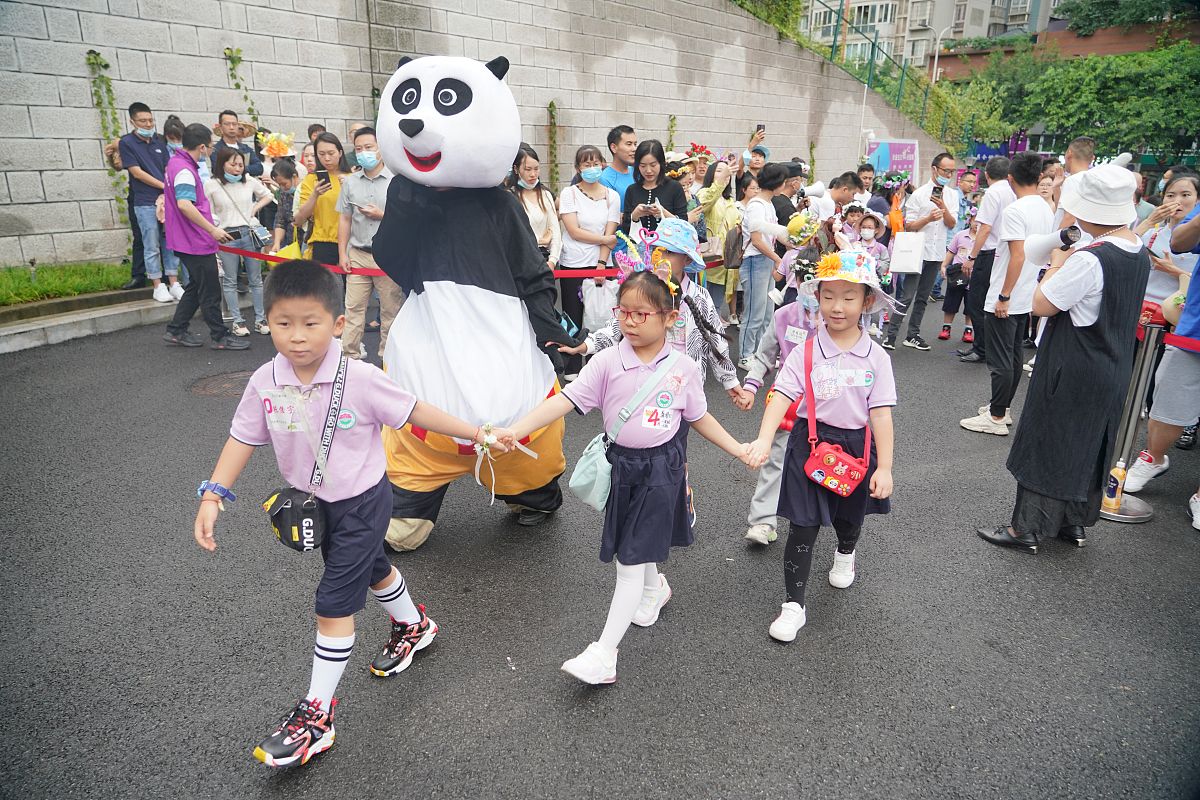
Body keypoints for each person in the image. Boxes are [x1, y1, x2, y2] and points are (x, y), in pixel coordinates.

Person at [193, 260, 508, 766]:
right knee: (371, 570)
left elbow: (415, 410)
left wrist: (478, 432)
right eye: (282, 323)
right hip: (317, 506)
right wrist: (213, 495)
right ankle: (414, 626)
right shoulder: (264, 381)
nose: (296, 337)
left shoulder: (359, 378)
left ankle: (316, 715)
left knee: (333, 600)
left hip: (363, 501)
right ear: (268, 322)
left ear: (338, 323)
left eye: (310, 323)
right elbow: (242, 437)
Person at [499, 269, 756, 684]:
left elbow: (699, 417)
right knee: (635, 541)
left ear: (669, 318)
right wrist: (516, 428)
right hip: (623, 466)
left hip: (662, 469)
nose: (631, 322)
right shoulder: (606, 361)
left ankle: (604, 653)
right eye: (624, 313)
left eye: (643, 314)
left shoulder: (683, 368)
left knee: (629, 558)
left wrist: (738, 448)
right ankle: (656, 589)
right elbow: (566, 400)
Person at [978, 165, 1151, 552]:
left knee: (1049, 440)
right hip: (1113, 363)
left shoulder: (1091, 258)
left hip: (1072, 363)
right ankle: (1073, 524)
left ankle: (1028, 529)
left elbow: (1042, 304)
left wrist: (1058, 259)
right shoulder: (1137, 250)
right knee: (1089, 443)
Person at [746, 250, 896, 642]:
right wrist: (764, 440)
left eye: (848, 297)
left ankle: (846, 552)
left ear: (866, 301)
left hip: (857, 448)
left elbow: (880, 414)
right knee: (803, 527)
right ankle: (793, 606)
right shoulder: (806, 351)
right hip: (810, 444)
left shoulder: (876, 358)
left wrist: (885, 468)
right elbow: (780, 394)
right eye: (828, 296)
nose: (837, 306)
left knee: (850, 519)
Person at [960, 152, 1055, 436]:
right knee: (1012, 355)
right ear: (1039, 177)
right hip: (1025, 292)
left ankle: (997, 416)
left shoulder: (1016, 210)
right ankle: (1001, 408)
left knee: (1000, 359)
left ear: (1011, 178)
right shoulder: (1044, 207)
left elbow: (1017, 256)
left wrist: (1003, 295)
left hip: (1009, 292)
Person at [741, 251, 821, 545]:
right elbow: (764, 356)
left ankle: (821, 520)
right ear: (795, 279)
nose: (809, 289)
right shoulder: (784, 316)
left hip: (825, 404)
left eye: (815, 282)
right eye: (803, 280)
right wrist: (751, 385)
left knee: (821, 462)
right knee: (775, 460)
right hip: (788, 401)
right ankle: (763, 522)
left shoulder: (836, 318)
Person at [161, 123, 245, 351]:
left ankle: (176, 329)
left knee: (196, 287)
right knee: (209, 290)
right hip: (195, 241)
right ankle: (220, 336)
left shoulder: (175, 163)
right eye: (208, 147)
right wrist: (212, 229)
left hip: (186, 239)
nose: (208, 151)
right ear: (200, 146)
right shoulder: (185, 170)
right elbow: (185, 205)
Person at [336, 126, 404, 361]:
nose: (364, 152)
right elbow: (344, 219)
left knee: (390, 311)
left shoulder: (397, 181)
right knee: (353, 309)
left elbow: (407, 218)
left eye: (369, 147)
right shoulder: (350, 182)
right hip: (358, 254)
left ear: (381, 150)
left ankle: (388, 360)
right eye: (358, 149)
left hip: (389, 256)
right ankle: (349, 358)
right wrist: (342, 254)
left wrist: (381, 215)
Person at [883, 152, 960, 351]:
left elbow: (952, 224)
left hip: (936, 251)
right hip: (916, 251)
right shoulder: (919, 194)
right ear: (934, 169)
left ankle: (913, 335)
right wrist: (928, 218)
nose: (948, 175)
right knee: (907, 295)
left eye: (951, 171)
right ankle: (891, 336)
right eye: (945, 170)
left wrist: (944, 209)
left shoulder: (952, 195)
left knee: (923, 297)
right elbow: (909, 225)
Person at [557, 145, 621, 378]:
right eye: (586, 164)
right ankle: (573, 365)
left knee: (601, 316)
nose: (592, 168)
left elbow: (611, 229)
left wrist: (602, 264)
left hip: (601, 265)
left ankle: (599, 366)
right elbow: (573, 231)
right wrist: (605, 239)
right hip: (573, 264)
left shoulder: (611, 196)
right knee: (573, 315)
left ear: (602, 164)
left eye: (596, 163)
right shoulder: (569, 193)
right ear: (578, 168)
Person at [118, 102, 182, 303]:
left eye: (150, 120)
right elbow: (136, 173)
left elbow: (167, 167)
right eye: (142, 121)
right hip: (145, 200)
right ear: (132, 121)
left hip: (166, 200)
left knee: (169, 242)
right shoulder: (126, 142)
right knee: (151, 243)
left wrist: (168, 188)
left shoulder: (159, 141)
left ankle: (174, 283)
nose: (147, 124)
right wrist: (164, 186)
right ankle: (157, 285)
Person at [207, 147, 273, 336]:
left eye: (240, 165)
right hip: (226, 235)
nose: (237, 168)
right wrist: (215, 230)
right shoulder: (211, 185)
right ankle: (237, 321)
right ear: (222, 164)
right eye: (232, 164)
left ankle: (261, 320)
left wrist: (253, 210)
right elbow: (208, 213)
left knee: (256, 279)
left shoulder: (249, 181)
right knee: (230, 280)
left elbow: (268, 195)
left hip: (249, 232)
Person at [959, 157, 1013, 364]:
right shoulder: (1012, 192)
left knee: (976, 302)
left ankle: (981, 348)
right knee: (990, 300)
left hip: (989, 253)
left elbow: (985, 227)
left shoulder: (993, 193)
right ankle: (985, 346)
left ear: (987, 175)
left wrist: (971, 256)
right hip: (1004, 253)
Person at [738, 163, 791, 367]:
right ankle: (745, 354)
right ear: (777, 183)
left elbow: (773, 235)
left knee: (768, 312)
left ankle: (760, 352)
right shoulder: (757, 205)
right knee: (755, 311)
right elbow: (757, 239)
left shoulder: (767, 204)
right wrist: (778, 259)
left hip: (766, 260)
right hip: (756, 260)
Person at [295, 132, 350, 269]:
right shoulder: (311, 179)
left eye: (331, 153)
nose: (326, 158)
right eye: (321, 154)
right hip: (323, 241)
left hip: (351, 241)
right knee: (323, 288)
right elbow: (302, 215)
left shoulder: (352, 177)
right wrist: (315, 194)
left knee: (351, 288)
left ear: (340, 152)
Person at [696, 159, 742, 317]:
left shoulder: (730, 201)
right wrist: (720, 183)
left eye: (727, 171)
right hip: (709, 258)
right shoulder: (704, 193)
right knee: (701, 304)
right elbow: (704, 203)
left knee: (715, 307)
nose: (726, 174)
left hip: (725, 261)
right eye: (719, 171)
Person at [621, 139, 688, 241]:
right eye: (643, 166)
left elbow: (684, 225)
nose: (648, 171)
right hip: (640, 252)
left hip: (668, 252)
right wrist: (635, 215)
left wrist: (663, 212)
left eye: (653, 165)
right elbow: (626, 230)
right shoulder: (632, 190)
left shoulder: (674, 187)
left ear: (661, 163)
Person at [508, 144, 561, 270]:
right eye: (527, 169)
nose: (533, 174)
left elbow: (555, 231)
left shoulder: (545, 195)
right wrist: (540, 240)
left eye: (536, 169)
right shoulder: (510, 196)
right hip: (520, 260)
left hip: (545, 260)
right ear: (516, 169)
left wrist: (552, 260)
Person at [939, 210, 977, 343]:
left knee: (971, 305)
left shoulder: (986, 239)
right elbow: (951, 252)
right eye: (975, 220)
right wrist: (944, 266)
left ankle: (968, 330)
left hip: (975, 276)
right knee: (951, 302)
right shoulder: (960, 235)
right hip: (958, 274)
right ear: (970, 220)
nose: (977, 224)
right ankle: (946, 328)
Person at [211, 110, 263, 178]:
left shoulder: (246, 148)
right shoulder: (216, 149)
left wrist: (240, 169)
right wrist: (244, 168)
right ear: (220, 128)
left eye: (234, 124)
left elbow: (259, 168)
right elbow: (217, 169)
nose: (231, 127)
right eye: (227, 124)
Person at [600, 125, 638, 200]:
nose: (634, 149)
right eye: (629, 144)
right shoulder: (605, 179)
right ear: (614, 147)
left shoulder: (638, 172)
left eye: (635, 144)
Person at [270, 160, 299, 251]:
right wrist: (277, 242)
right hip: (290, 242)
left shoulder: (306, 191)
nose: (282, 188)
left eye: (284, 184)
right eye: (279, 185)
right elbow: (280, 220)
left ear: (294, 177)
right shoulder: (284, 194)